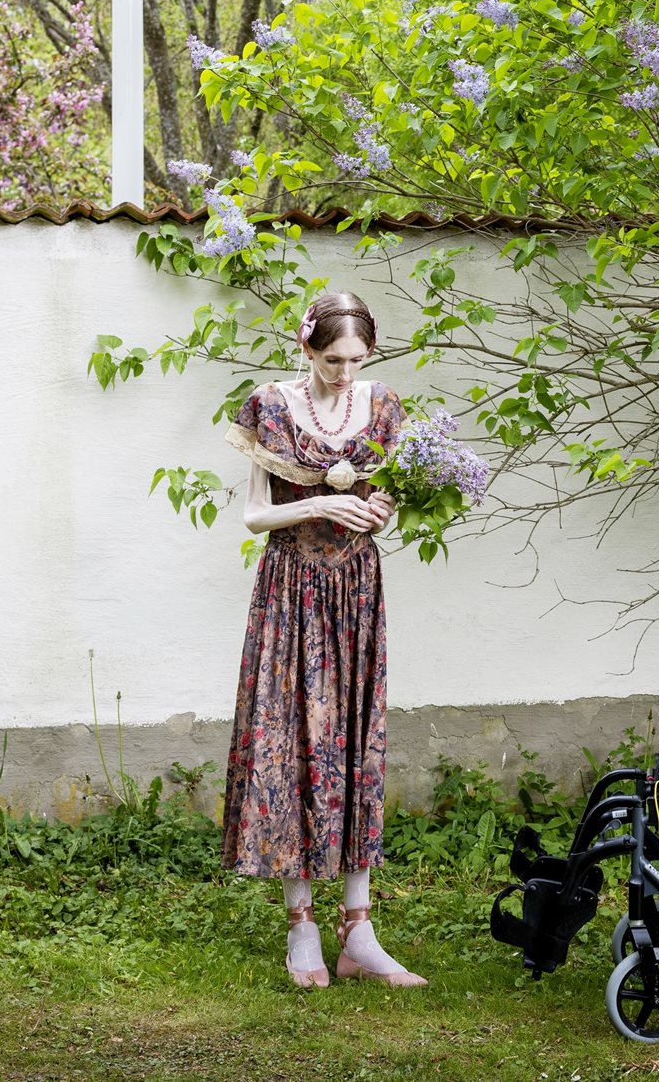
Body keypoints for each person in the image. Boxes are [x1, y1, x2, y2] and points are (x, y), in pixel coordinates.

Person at [221, 291, 426, 989]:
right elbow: (254, 514)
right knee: (294, 745)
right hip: (292, 590)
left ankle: (359, 930)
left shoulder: (384, 407)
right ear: (306, 347)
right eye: (332, 358)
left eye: (356, 359)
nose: (345, 372)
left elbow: (387, 500)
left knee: (356, 745)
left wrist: (379, 506)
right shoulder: (271, 407)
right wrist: (315, 501)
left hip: (357, 590)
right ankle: (302, 926)